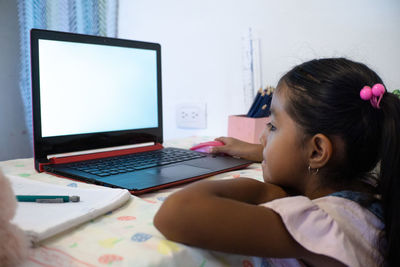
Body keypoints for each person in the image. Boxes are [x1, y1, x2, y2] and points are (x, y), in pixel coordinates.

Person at [154, 58, 400, 266]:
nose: (262, 136)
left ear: (317, 151)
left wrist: (267, 191)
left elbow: (177, 212)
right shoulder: (368, 191)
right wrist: (258, 151)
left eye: (272, 126)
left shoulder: (322, 225)